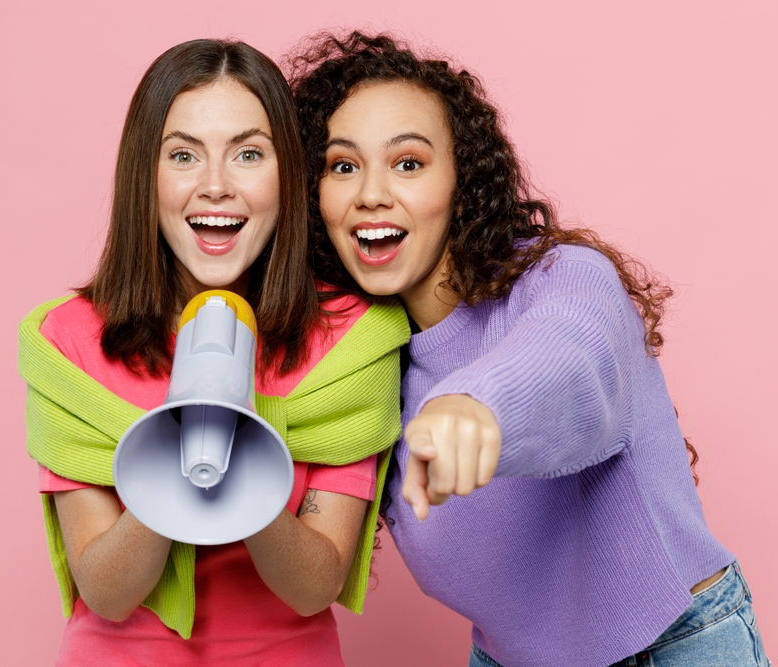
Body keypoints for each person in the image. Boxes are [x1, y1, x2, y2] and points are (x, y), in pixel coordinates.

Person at [290, 31, 770, 667]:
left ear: (462, 181)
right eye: (342, 166)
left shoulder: (561, 278)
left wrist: (477, 405)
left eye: (408, 163)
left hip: (677, 646)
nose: (370, 193)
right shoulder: (364, 361)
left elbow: (572, 352)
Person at [17, 39, 409, 666]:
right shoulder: (68, 343)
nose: (216, 187)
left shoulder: (351, 342)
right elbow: (107, 594)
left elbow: (315, 588)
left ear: (288, 175)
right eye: (183, 156)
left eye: (249, 154)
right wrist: (181, 441)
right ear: (144, 173)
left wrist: (242, 468)